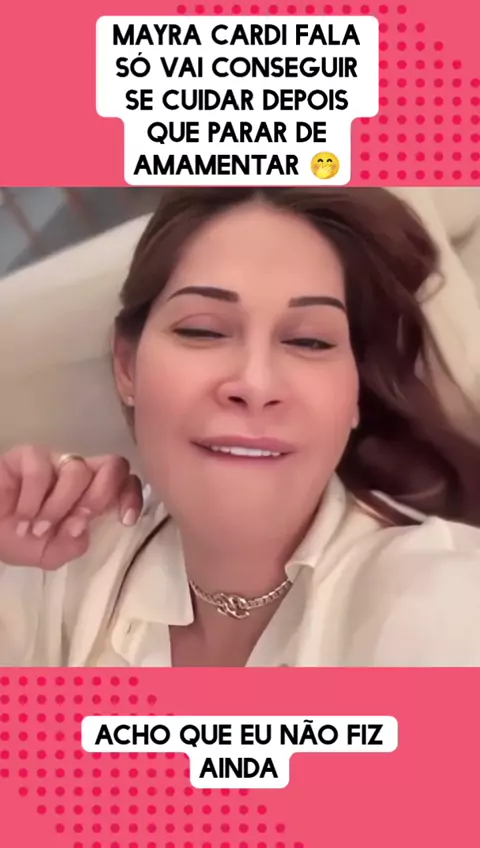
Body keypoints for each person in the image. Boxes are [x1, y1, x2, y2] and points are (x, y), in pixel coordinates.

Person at [0, 187, 479, 668]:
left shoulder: (439, 605)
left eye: (310, 341)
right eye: (203, 331)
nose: (256, 384)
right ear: (128, 367)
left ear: (355, 392)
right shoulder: (60, 568)